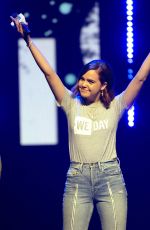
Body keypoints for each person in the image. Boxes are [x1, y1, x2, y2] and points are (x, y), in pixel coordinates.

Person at [10, 15, 150, 230]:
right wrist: (28, 40)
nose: (83, 84)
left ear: (103, 86)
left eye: (90, 81)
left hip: (110, 178)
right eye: (82, 78)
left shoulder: (116, 105)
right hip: (78, 180)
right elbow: (48, 73)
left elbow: (140, 77)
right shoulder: (70, 102)